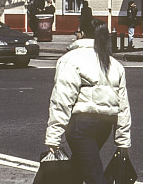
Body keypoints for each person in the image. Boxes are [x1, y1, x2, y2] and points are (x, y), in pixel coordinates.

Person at [44, 17, 131, 184]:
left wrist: (54, 137)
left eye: (77, 31)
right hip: (104, 126)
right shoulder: (113, 63)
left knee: (93, 174)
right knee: (78, 170)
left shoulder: (71, 59)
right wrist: (123, 141)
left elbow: (62, 100)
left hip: (80, 127)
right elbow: (123, 106)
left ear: (81, 34)